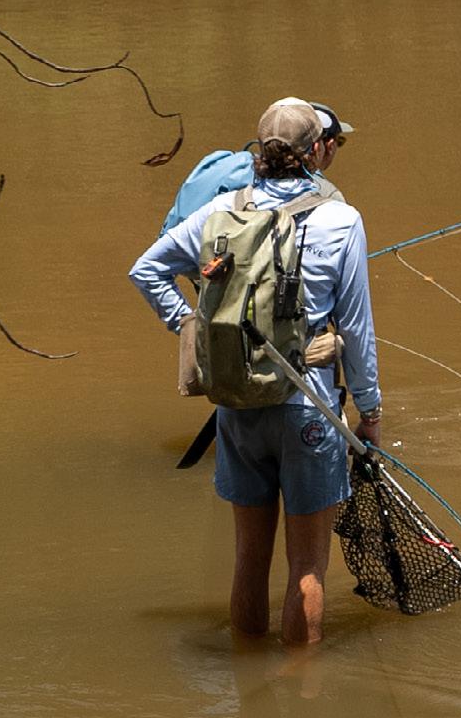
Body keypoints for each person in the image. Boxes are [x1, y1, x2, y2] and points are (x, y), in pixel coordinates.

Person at [129, 99, 382, 646]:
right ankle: (299, 683)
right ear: (314, 151)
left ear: (259, 150)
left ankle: (247, 672)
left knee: (249, 559)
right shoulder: (341, 220)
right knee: (308, 566)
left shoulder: (220, 211)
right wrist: (370, 413)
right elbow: (357, 331)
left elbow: (146, 269)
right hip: (308, 405)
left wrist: (193, 329)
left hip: (238, 404)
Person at [159, 99, 352, 233]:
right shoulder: (328, 195)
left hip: (212, 274)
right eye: (339, 142)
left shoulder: (221, 164)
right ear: (322, 146)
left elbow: (165, 244)